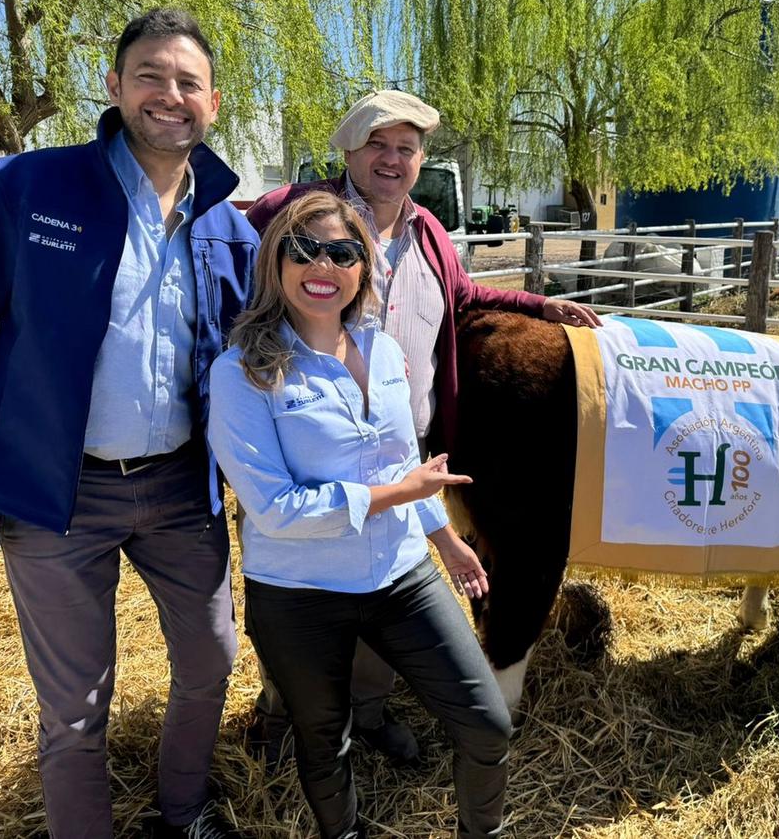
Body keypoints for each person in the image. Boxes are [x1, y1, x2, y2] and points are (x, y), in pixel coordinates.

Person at [0, 9, 257, 839]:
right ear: (113, 87)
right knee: (77, 707)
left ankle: (183, 813)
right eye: (150, 75)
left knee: (211, 659)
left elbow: (266, 354)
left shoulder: (227, 225)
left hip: (183, 491)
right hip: (55, 496)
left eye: (189, 82)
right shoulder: (26, 187)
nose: (170, 95)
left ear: (213, 104)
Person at [244, 89, 601, 765]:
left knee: (385, 591)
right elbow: (234, 276)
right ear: (348, 151)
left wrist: (540, 304)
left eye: (406, 148)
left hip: (401, 452)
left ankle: (371, 715)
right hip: (309, 448)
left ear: (420, 160)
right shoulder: (297, 214)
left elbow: (465, 297)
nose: (392, 159)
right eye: (378, 144)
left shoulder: (428, 230)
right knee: (303, 598)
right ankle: (281, 716)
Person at [208, 190, 511, 839]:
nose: (324, 264)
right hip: (300, 590)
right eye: (306, 249)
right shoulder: (243, 373)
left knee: (486, 724)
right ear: (277, 261)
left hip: (402, 573)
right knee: (325, 742)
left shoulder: (383, 352)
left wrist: (444, 539)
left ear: (362, 269)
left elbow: (404, 465)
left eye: (343, 252)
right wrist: (398, 496)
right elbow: (275, 510)